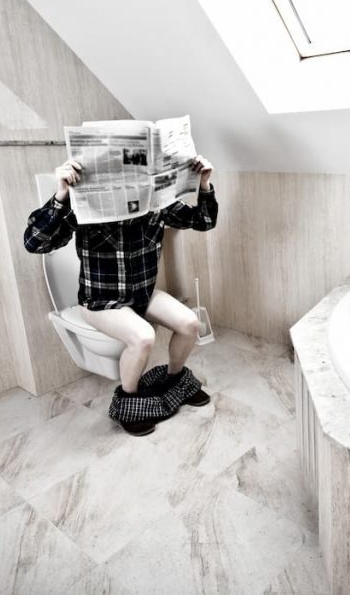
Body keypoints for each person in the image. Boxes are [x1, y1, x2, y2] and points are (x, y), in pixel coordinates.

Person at [23, 155, 218, 436]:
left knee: (189, 323)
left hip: (142, 294)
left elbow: (204, 220)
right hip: (100, 301)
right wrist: (62, 194)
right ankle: (130, 402)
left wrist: (204, 182)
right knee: (143, 337)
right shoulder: (85, 203)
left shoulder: (155, 201)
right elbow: (35, 242)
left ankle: (175, 381)